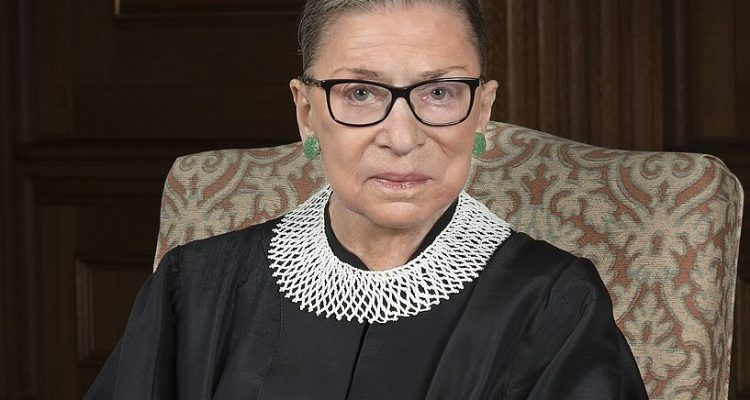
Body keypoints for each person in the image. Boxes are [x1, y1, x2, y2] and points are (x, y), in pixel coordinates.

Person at [85, 0, 649, 399]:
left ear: (481, 110)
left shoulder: (556, 305)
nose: (401, 138)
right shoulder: (195, 289)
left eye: (438, 92)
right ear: (306, 112)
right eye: (359, 92)